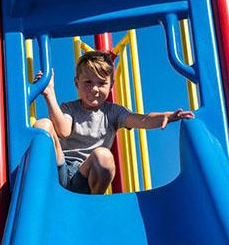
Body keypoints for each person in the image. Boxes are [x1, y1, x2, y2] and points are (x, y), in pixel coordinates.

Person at [33, 51, 194, 194]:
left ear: (111, 86)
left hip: (87, 176)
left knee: (103, 156)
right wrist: (49, 94)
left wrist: (165, 116)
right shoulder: (70, 108)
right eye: (88, 82)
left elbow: (142, 120)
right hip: (58, 170)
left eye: (102, 83)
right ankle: (36, 188)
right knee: (43, 125)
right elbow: (63, 131)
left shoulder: (113, 112)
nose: (95, 89)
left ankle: (94, 202)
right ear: (77, 83)